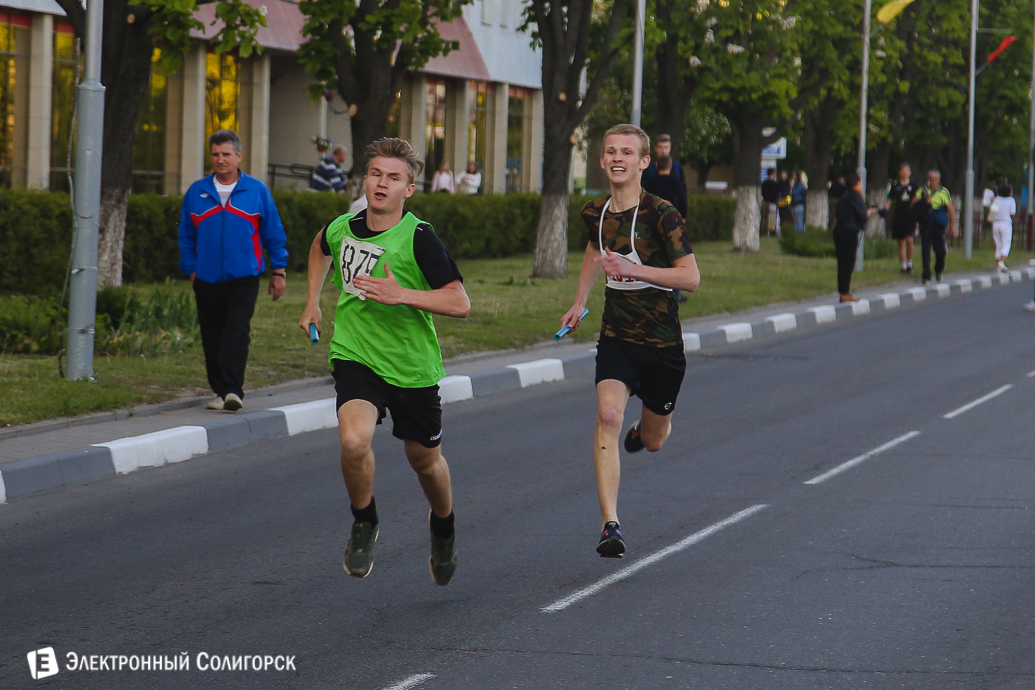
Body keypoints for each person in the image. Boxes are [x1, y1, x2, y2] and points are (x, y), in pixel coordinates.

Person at [298, 137, 470, 585]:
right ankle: (365, 521)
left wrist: (402, 295)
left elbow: (459, 302)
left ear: (408, 190)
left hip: (412, 368)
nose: (382, 184)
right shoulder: (344, 227)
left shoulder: (419, 237)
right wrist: (312, 302)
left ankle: (444, 526)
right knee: (354, 441)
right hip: (356, 356)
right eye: (376, 174)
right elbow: (320, 247)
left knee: (424, 462)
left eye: (393, 178)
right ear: (364, 180)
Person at [559, 124, 700, 558]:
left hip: (662, 346)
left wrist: (634, 269)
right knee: (606, 415)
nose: (617, 158)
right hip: (618, 338)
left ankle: (647, 429)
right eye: (610, 151)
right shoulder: (594, 211)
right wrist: (579, 300)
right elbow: (593, 250)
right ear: (602, 161)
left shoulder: (663, 214)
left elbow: (690, 278)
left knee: (655, 440)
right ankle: (610, 525)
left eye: (627, 152)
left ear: (642, 162)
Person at [179, 129, 288, 412]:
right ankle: (220, 390)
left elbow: (273, 233)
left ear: (239, 156)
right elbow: (186, 235)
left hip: (245, 276)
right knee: (212, 335)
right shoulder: (197, 192)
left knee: (236, 330)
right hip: (206, 278)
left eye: (226, 154)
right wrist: (191, 268)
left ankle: (232, 390)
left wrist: (279, 271)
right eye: (215, 154)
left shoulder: (256, 191)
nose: (220, 159)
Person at [833, 172, 873, 303]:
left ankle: (843, 291)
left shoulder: (844, 195)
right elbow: (862, 216)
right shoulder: (856, 196)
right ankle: (845, 292)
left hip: (839, 230)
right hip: (850, 231)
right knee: (848, 262)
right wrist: (868, 213)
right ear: (857, 183)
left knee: (842, 262)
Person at [911, 169, 956, 285]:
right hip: (926, 223)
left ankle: (938, 270)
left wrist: (952, 226)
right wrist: (923, 203)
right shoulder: (923, 191)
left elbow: (950, 209)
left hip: (938, 223)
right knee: (925, 248)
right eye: (931, 179)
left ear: (939, 180)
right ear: (928, 179)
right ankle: (926, 274)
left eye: (936, 179)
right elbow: (913, 204)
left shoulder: (943, 192)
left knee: (940, 250)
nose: (933, 181)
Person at [884, 163, 918, 273]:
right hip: (899, 216)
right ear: (900, 173)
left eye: (906, 171)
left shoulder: (914, 186)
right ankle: (903, 265)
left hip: (910, 216)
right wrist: (885, 209)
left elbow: (918, 199)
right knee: (901, 242)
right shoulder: (895, 186)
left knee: (909, 239)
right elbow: (889, 200)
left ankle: (910, 264)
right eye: (902, 171)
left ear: (909, 173)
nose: (904, 173)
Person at [990, 184, 1017, 272]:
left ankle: (999, 265)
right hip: (1006, 223)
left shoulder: (997, 199)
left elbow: (992, 212)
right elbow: (1012, 213)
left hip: (996, 223)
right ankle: (1001, 262)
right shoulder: (1011, 200)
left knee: (998, 244)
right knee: (1006, 243)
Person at [761, 168, 779, 235]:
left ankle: (766, 230)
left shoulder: (764, 183)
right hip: (772, 203)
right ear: (773, 173)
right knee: (773, 217)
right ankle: (773, 230)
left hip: (765, 202)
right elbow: (775, 194)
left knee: (766, 217)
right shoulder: (774, 184)